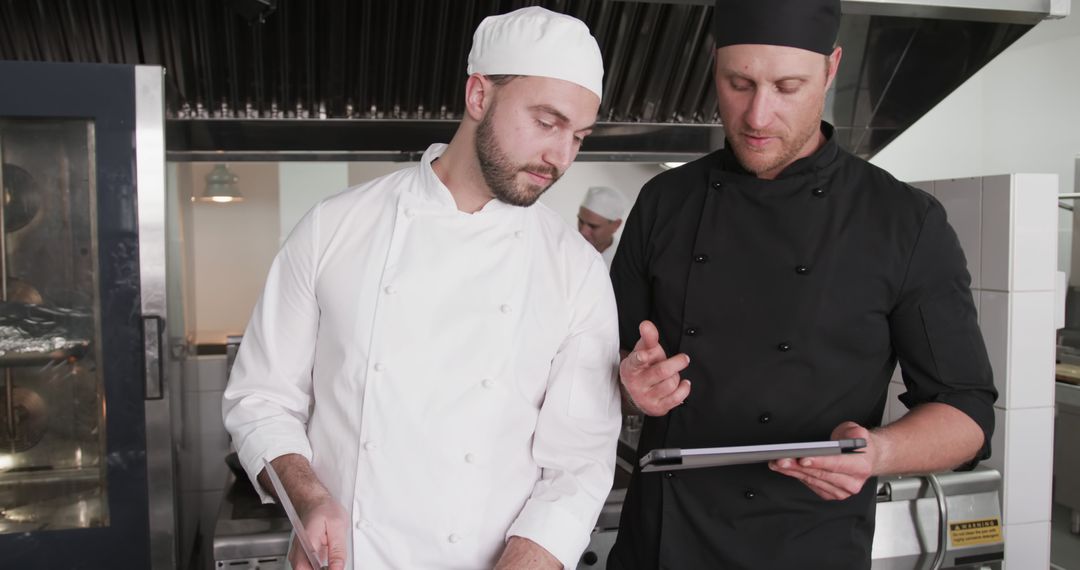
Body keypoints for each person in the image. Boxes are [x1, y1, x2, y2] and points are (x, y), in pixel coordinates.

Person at [222, 7, 621, 570]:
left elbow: (578, 465)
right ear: (479, 96)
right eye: (546, 122)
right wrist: (308, 500)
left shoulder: (576, 271)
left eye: (578, 136)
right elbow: (261, 400)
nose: (560, 158)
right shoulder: (334, 227)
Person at [607, 0, 997, 568]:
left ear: (831, 68)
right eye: (738, 83)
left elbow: (967, 412)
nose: (757, 116)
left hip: (810, 545)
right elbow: (601, 361)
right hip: (663, 538)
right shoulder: (664, 202)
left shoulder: (905, 221)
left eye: (787, 87)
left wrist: (879, 451)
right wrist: (628, 383)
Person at [577, 185, 629, 267]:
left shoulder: (623, 265)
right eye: (581, 221)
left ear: (616, 225)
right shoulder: (564, 245)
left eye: (593, 226)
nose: (583, 232)